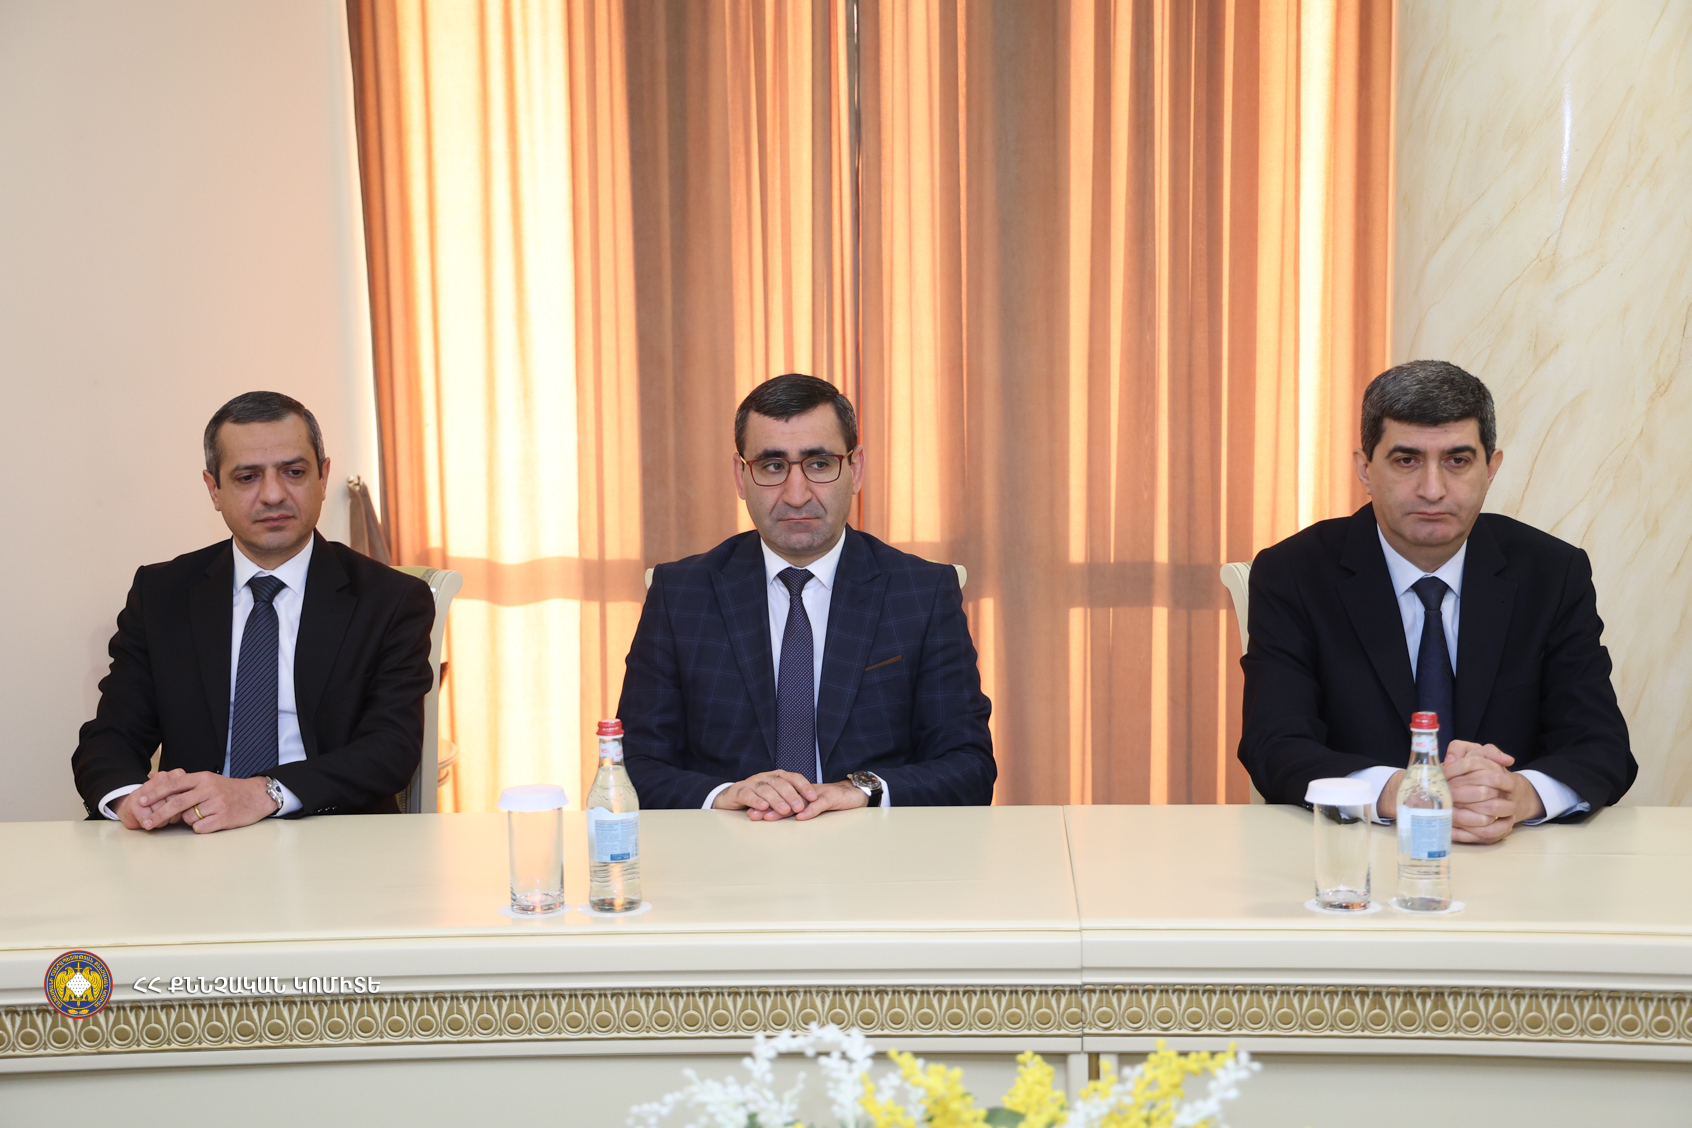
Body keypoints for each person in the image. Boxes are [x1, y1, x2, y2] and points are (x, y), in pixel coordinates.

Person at [1238, 360, 1634, 843]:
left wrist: (1518, 795)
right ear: (1365, 469)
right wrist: (1399, 793)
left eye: (1457, 460)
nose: (1432, 489)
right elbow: (1275, 743)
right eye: (1406, 460)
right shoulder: (1294, 573)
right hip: (1357, 850)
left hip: (1513, 854)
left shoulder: (1552, 573)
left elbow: (1601, 744)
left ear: (1491, 469)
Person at [619, 373, 995, 819]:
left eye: (818, 464)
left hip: (871, 847)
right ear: (740, 476)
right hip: (728, 846)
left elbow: (968, 766)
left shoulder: (921, 592)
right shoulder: (680, 594)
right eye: (772, 466)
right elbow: (633, 766)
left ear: (855, 469)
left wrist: (862, 790)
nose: (796, 496)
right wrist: (724, 795)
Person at [71, 392, 436, 832]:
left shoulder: (392, 599)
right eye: (247, 477)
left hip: (334, 836)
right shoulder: (162, 594)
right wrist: (131, 800)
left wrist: (263, 793)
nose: (273, 495)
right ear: (214, 489)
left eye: (294, 472)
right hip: (196, 839)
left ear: (323, 477)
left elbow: (391, 748)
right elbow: (112, 734)